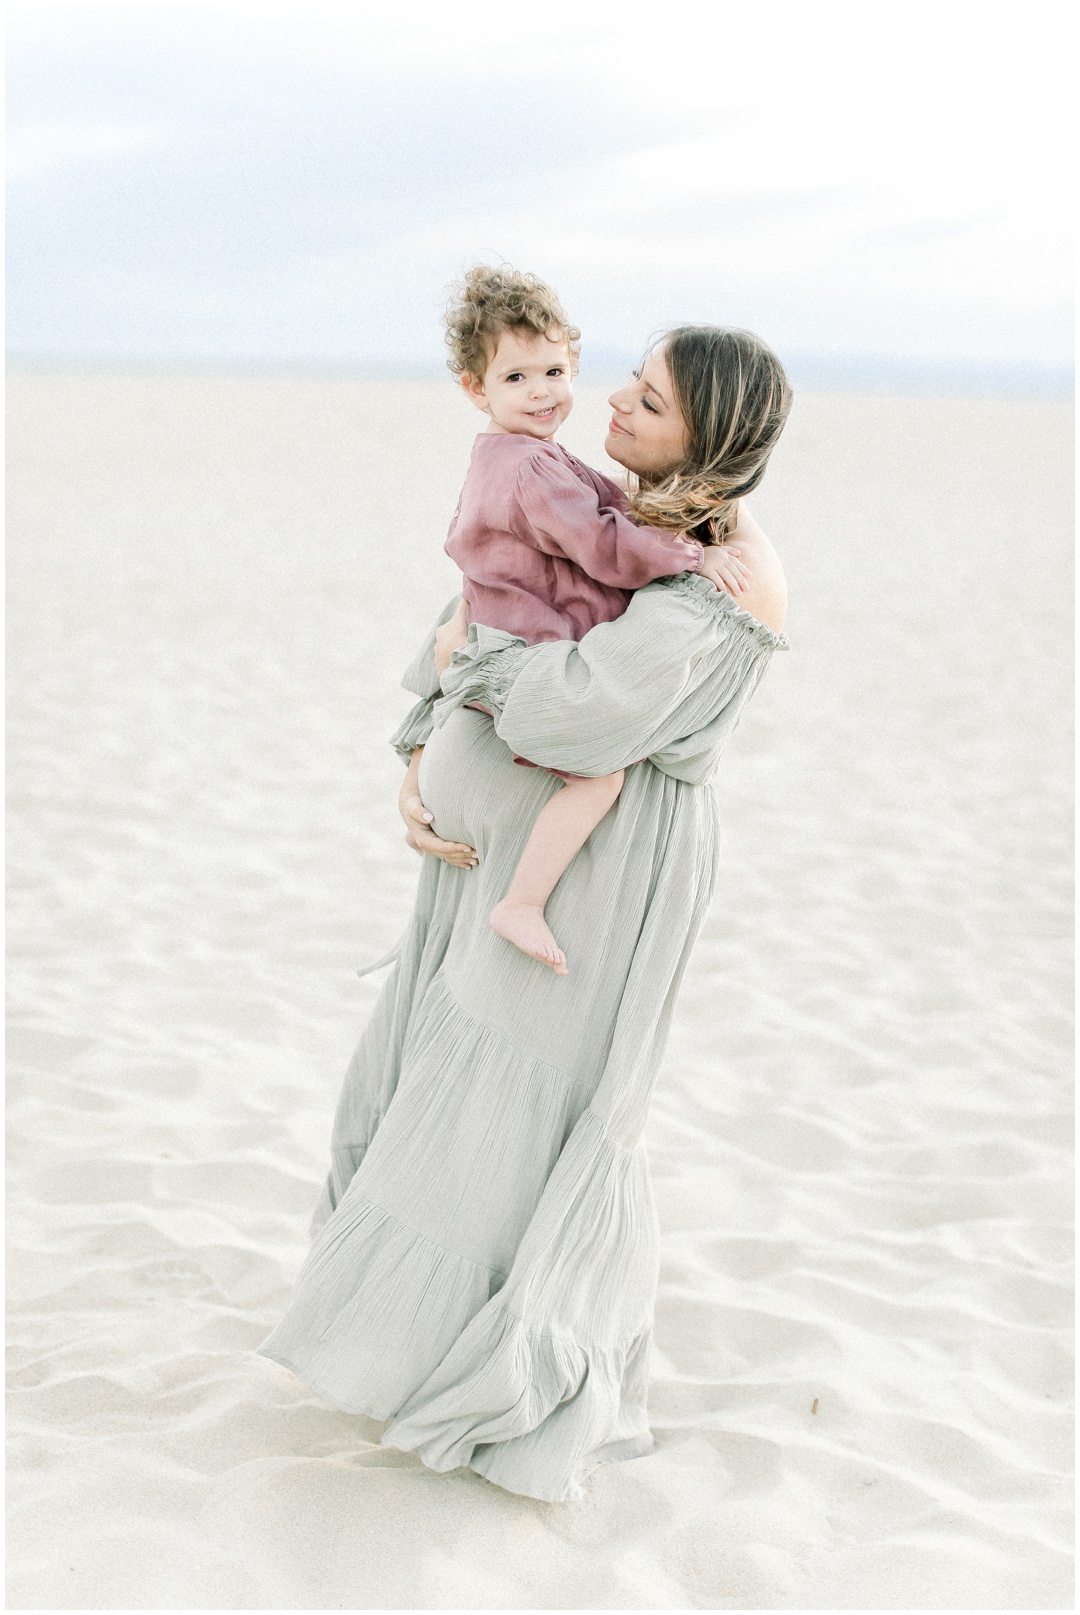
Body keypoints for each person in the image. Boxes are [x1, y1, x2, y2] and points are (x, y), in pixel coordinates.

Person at [258, 325, 791, 1504]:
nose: (611, 401)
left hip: (600, 880)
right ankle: (406, 1357)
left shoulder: (731, 567)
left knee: (534, 1114)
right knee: (442, 1090)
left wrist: (467, 678)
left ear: (709, 429)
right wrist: (419, 751)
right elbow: (486, 598)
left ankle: (513, 1393)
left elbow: (574, 717)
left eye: (646, 398)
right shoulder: (618, 504)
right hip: (494, 865)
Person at [440, 265, 754, 975]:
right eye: (516, 378)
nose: (543, 391)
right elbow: (602, 541)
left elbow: (603, 504)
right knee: (599, 779)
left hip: (502, 655)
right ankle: (522, 900)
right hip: (521, 665)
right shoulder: (531, 469)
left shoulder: (514, 455)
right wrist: (688, 557)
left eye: (554, 369)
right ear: (475, 389)